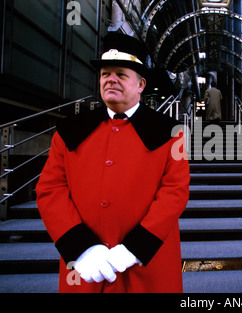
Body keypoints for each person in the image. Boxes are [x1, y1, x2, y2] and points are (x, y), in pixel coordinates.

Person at [36, 32, 190, 293]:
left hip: (145, 266)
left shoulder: (169, 131)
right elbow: (50, 189)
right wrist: (80, 247)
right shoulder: (70, 130)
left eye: (121, 74)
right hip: (87, 269)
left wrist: (135, 248)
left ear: (141, 84)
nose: (111, 80)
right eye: (105, 74)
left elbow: (174, 191)